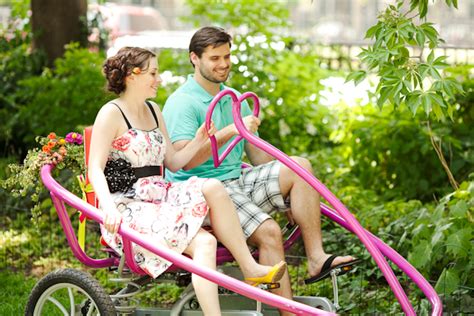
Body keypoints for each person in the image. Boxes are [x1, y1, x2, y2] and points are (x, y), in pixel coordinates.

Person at [162, 26, 359, 314]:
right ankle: (287, 312)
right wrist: (230, 131)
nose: (223, 64)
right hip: (202, 191)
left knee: (300, 166)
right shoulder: (183, 102)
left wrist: (292, 189)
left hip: (236, 180)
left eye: (227, 56)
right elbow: (185, 161)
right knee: (269, 232)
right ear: (195, 58)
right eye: (215, 58)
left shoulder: (233, 97)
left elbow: (259, 158)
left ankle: (316, 257)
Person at [88, 46, 287, 316]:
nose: (159, 79)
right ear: (132, 76)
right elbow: (95, 169)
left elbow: (173, 161)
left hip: (159, 196)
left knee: (213, 187)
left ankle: (250, 269)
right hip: (128, 206)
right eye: (154, 73)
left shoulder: (153, 109)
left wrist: (198, 141)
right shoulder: (111, 113)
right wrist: (108, 209)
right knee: (206, 243)